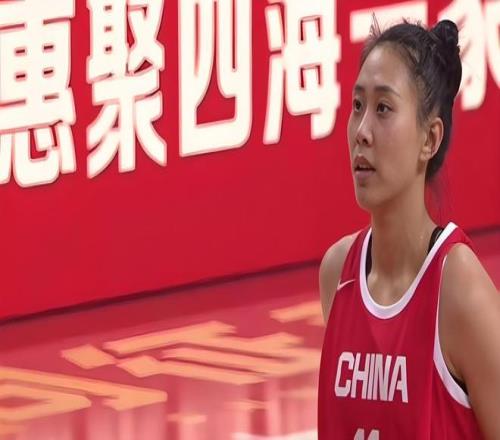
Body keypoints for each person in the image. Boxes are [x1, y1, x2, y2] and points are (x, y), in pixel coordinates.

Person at [318, 18, 500, 439]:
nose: (362, 132)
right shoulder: (337, 274)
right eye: (357, 106)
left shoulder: (460, 289)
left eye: (383, 108)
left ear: (429, 139)